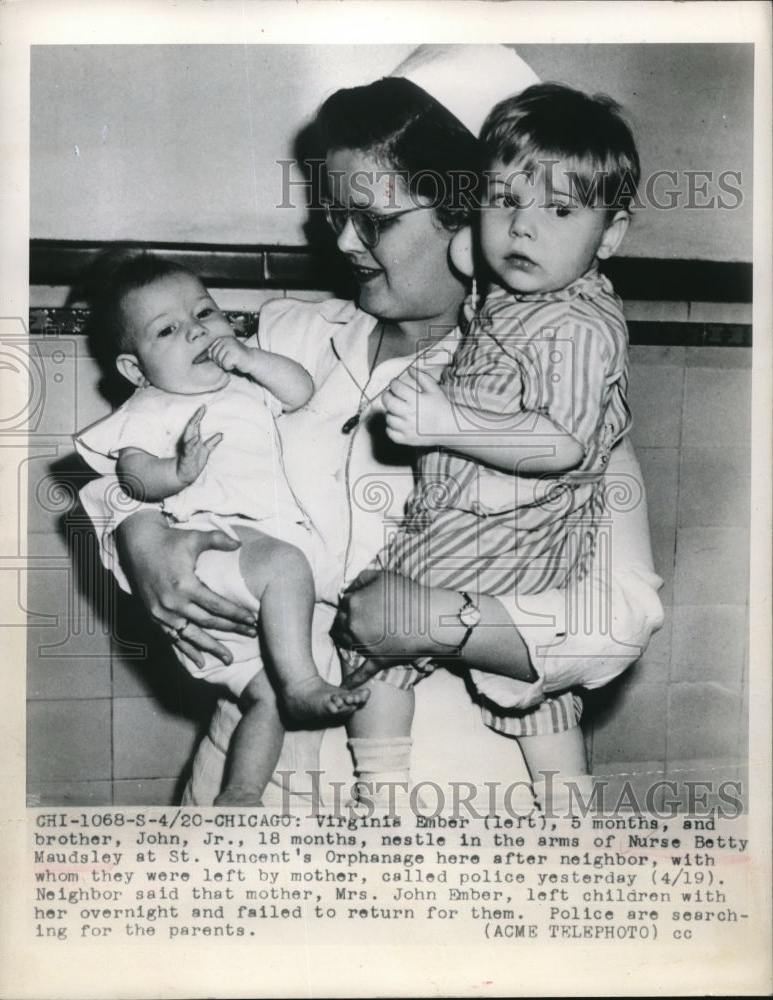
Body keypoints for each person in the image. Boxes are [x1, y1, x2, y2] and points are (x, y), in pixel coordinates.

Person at [80, 57, 663, 811]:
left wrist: (441, 625)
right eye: (334, 214)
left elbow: (621, 616)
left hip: (446, 790)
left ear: (467, 214)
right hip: (252, 776)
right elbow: (130, 449)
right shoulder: (291, 337)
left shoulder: (553, 388)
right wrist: (137, 539)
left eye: (377, 220)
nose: (346, 243)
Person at [341, 83, 640, 799]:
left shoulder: (581, 325)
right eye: (504, 202)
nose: (523, 230)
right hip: (453, 525)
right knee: (535, 711)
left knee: (509, 690)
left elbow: (565, 443)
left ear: (612, 233)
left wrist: (447, 423)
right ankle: (388, 799)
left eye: (561, 211)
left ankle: (395, 801)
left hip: (500, 540)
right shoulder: (510, 294)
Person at [75, 252, 368, 806]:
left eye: (205, 313)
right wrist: (175, 474)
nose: (196, 331)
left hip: (258, 569)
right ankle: (304, 685)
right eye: (168, 330)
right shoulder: (151, 407)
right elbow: (131, 476)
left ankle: (240, 792)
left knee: (263, 694)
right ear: (135, 370)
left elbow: (300, 390)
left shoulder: (244, 383)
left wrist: (253, 359)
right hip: (216, 549)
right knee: (287, 568)